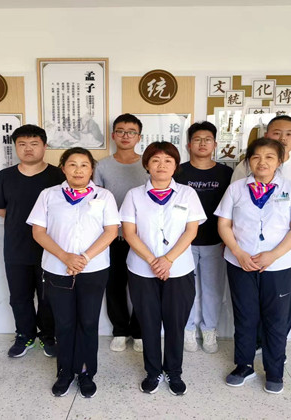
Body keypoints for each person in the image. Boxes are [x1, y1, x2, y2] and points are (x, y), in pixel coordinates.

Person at [216, 137, 291, 394]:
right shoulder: (236, 189)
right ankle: (243, 366)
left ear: (279, 161)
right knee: (245, 316)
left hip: (279, 265)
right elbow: (223, 224)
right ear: (248, 162)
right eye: (256, 157)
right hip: (241, 263)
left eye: (269, 157)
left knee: (276, 320)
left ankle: (274, 371)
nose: (262, 162)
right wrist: (238, 252)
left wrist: (273, 255)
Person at [28, 147, 119, 398]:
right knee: (64, 323)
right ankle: (65, 372)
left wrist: (84, 258)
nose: (78, 170)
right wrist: (65, 256)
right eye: (72, 164)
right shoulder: (49, 195)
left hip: (94, 269)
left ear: (92, 169)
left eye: (84, 165)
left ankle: (86, 372)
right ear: (63, 168)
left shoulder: (104, 196)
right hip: (57, 269)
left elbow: (111, 231)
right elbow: (38, 232)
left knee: (88, 322)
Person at [120, 142, 206, 396]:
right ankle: (152, 371)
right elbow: (129, 233)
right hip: (141, 269)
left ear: (175, 166)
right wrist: (153, 261)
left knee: (175, 323)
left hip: (178, 269)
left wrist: (167, 259)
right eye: (155, 160)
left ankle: (174, 371)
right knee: (148, 323)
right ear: (147, 164)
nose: (161, 165)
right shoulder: (134, 195)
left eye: (168, 160)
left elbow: (191, 231)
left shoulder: (187, 194)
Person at [231, 115, 291, 354]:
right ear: (267, 134)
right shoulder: (245, 166)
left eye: (289, 133)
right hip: (249, 248)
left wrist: (277, 251)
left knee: (284, 303)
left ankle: (277, 348)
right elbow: (236, 205)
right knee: (250, 303)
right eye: (277, 132)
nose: (283, 138)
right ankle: (255, 346)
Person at [0, 124, 64, 358]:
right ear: (15, 147)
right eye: (22, 144)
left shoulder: (58, 176)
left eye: (34, 144)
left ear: (45, 146)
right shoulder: (4, 177)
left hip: (51, 248)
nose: (28, 149)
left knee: (48, 297)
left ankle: (48, 336)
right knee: (19, 296)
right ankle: (25, 335)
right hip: (16, 247)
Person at [173, 121, 232, 354]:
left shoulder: (226, 173)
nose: (202, 143)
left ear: (215, 144)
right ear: (189, 144)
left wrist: (229, 240)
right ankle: (187, 330)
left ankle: (209, 331)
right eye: (197, 139)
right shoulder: (178, 172)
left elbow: (233, 209)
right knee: (185, 290)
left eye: (207, 139)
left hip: (215, 242)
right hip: (183, 242)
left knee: (213, 290)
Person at [94, 113, 148, 353]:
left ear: (139, 136)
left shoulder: (149, 163)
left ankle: (139, 331)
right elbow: (96, 200)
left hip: (142, 236)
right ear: (113, 135)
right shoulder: (102, 165)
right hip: (112, 236)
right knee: (114, 285)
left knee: (141, 284)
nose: (126, 136)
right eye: (121, 131)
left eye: (131, 132)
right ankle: (120, 330)